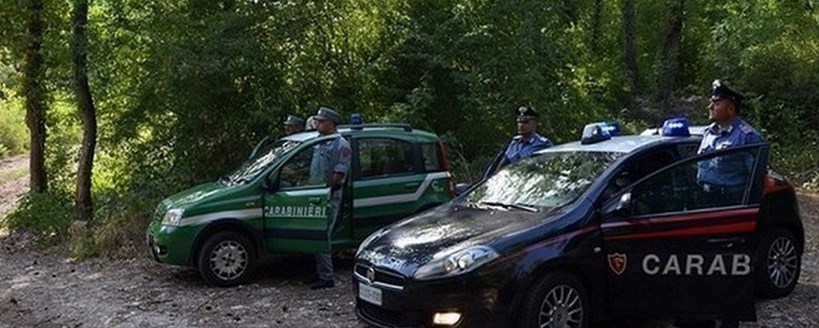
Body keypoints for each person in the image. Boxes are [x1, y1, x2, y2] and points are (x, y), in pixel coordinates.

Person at [696, 79, 765, 202]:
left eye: (716, 104)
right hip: (705, 197)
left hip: (730, 200)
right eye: (711, 103)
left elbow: (757, 177)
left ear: (731, 109)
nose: (710, 107)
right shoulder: (708, 132)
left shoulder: (746, 137)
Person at [305, 107, 351, 290]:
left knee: (323, 235)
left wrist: (324, 190)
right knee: (314, 236)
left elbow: (339, 174)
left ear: (330, 124)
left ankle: (327, 277)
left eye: (321, 121)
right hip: (314, 195)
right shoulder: (320, 141)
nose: (317, 124)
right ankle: (319, 272)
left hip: (328, 196)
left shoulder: (341, 145)